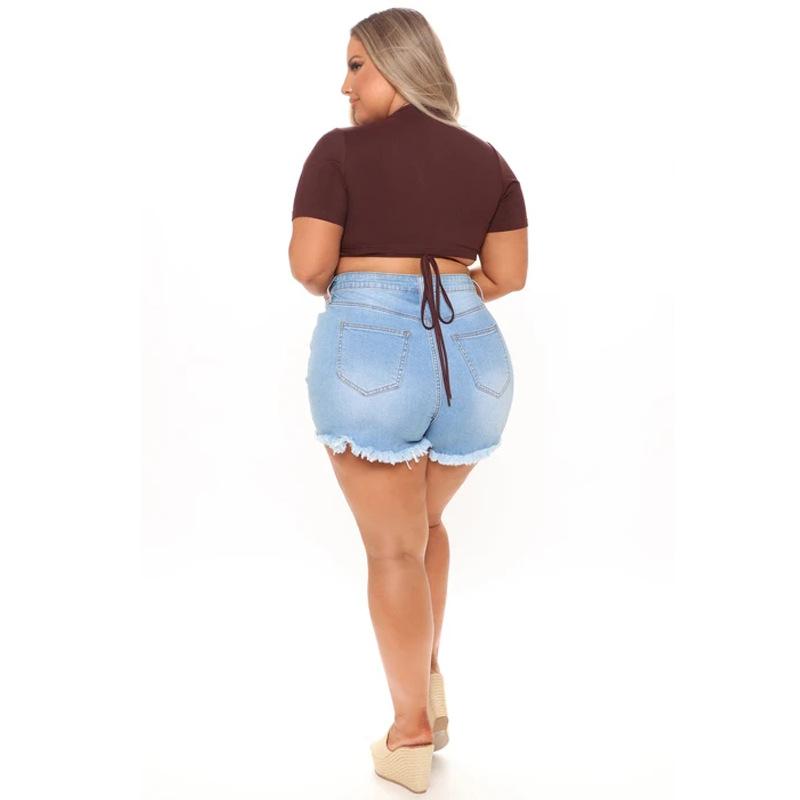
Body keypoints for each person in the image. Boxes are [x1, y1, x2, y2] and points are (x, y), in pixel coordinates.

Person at [288, 8, 528, 793]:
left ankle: (410, 735)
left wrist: (370, 293)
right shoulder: (487, 159)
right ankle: (427, 683)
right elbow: (509, 274)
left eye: (357, 65)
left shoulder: (338, 153)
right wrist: (445, 293)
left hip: (372, 350)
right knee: (423, 527)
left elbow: (309, 265)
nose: (345, 85)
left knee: (392, 549)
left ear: (396, 65)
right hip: (475, 354)